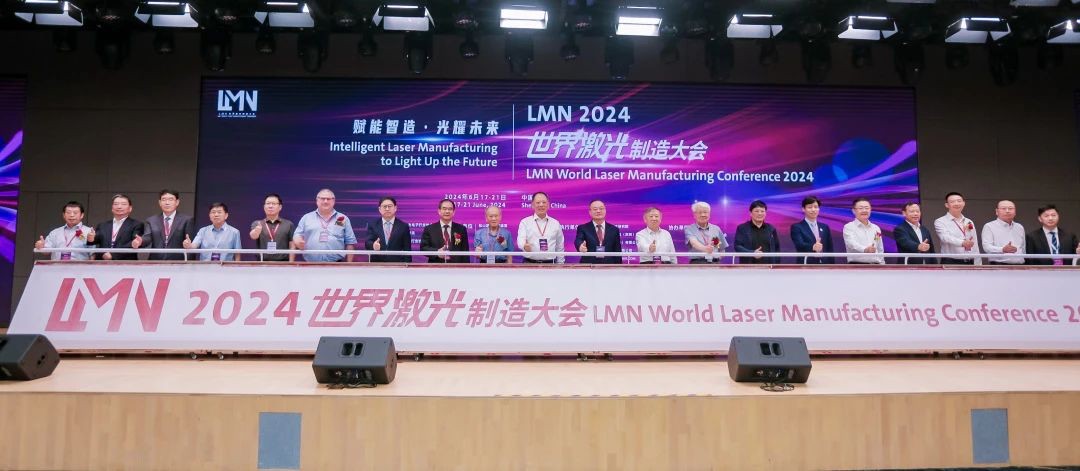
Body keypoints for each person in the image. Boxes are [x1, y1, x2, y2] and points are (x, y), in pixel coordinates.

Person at [293, 189, 357, 262]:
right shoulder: (306, 218)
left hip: (336, 264)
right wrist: (297, 240)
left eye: (328, 199)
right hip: (310, 264)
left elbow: (350, 243)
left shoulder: (342, 218)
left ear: (333, 201)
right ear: (317, 200)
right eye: (323, 199)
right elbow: (297, 235)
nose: (325, 201)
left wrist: (349, 264)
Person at [141, 189, 196, 261]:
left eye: (171, 199)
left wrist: (188, 245)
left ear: (177, 202)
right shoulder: (151, 220)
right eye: (164, 200)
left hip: (178, 262)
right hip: (156, 261)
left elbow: (189, 242)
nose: (167, 203)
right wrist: (140, 241)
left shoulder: (187, 220)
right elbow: (147, 238)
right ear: (159, 202)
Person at [92, 193, 144, 261]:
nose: (119, 207)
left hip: (126, 263)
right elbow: (94, 241)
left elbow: (133, 243)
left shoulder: (137, 224)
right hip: (102, 262)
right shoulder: (102, 225)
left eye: (123, 204)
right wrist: (90, 238)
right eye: (116, 204)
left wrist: (112, 255)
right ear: (112, 208)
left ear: (130, 208)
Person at [516, 192, 564, 264]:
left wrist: (561, 264)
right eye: (538, 202)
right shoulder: (525, 222)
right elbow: (520, 240)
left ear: (548, 205)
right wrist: (524, 246)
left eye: (544, 202)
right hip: (529, 263)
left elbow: (560, 246)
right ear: (532, 205)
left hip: (550, 264)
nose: (541, 205)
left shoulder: (555, 223)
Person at [934, 192, 980, 265]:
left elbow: (974, 243)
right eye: (952, 202)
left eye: (959, 201)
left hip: (970, 261)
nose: (956, 204)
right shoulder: (940, 221)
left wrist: (978, 263)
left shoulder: (969, 221)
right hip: (951, 261)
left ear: (964, 203)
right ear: (947, 205)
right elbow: (945, 238)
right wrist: (962, 243)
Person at [420, 199, 470, 263]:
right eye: (444, 209)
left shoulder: (461, 229)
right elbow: (423, 248)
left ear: (454, 212)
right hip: (436, 266)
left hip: (456, 267)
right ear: (439, 211)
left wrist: (466, 267)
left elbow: (465, 252)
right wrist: (437, 252)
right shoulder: (429, 229)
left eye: (450, 209)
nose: (447, 211)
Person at [249, 193, 296, 262]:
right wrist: (257, 230)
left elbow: (292, 245)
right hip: (262, 263)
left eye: (273, 204)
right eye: (268, 203)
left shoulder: (288, 224)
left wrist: (291, 263)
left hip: (283, 263)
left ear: (280, 207)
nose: (270, 206)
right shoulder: (257, 223)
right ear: (264, 207)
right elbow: (253, 236)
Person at [365, 196, 412, 263]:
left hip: (397, 265)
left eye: (389, 206)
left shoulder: (403, 226)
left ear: (395, 208)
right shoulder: (372, 225)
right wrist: (373, 246)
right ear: (379, 209)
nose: (387, 209)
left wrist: (407, 266)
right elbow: (367, 242)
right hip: (377, 264)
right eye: (384, 206)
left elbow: (407, 249)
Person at [789, 196, 835, 264]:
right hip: (806, 264)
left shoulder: (825, 227)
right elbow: (799, 245)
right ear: (803, 209)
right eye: (810, 207)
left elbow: (830, 248)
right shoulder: (797, 227)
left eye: (816, 207)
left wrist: (832, 266)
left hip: (825, 265)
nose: (813, 210)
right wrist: (813, 247)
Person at [575, 199, 622, 264]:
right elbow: (578, 240)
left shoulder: (614, 230)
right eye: (595, 209)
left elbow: (617, 251)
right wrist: (580, 246)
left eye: (601, 208)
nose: (598, 211)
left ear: (605, 210)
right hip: (589, 266)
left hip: (609, 266)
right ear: (590, 212)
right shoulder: (583, 228)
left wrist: (619, 267)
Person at [734, 200, 781, 264]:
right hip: (748, 266)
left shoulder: (771, 229)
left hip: (768, 267)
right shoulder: (742, 228)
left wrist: (776, 266)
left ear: (765, 213)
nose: (760, 213)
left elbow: (777, 249)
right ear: (750, 213)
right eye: (756, 211)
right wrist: (752, 253)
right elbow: (737, 246)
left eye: (762, 211)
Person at [981, 200, 1025, 265]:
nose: (1007, 211)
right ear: (997, 211)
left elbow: (1023, 248)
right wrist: (1002, 249)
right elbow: (987, 247)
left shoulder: (1019, 227)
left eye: (1010, 208)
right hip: (999, 266)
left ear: (1015, 212)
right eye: (1003, 208)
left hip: (1020, 266)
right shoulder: (989, 226)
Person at [843, 198, 885, 264]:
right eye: (861, 208)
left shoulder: (876, 228)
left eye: (867, 208)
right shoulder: (849, 227)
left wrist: (882, 263)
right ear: (853, 211)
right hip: (857, 265)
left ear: (870, 210)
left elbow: (880, 248)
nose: (864, 210)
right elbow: (851, 244)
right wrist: (865, 249)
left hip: (876, 265)